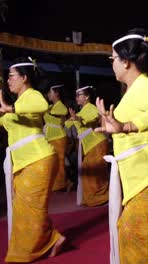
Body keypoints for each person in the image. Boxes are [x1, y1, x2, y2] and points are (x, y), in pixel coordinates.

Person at [95, 29, 148, 263]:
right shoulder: (134, 90)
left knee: (144, 248)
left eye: (113, 59)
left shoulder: (145, 84)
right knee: (132, 237)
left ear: (126, 62)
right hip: (145, 178)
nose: (111, 64)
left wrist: (128, 126)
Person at [0, 58, 65, 262]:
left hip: (39, 159)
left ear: (25, 78)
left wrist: (10, 109)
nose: (8, 80)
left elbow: (41, 104)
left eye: (11, 76)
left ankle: (23, 254)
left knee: (29, 210)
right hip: (24, 161)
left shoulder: (32, 95)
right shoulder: (19, 102)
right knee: (26, 208)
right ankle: (53, 239)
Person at [66, 85, 109, 206]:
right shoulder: (81, 111)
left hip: (97, 143)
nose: (77, 97)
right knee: (92, 172)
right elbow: (68, 124)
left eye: (79, 95)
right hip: (91, 146)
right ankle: (95, 197)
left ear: (87, 97)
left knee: (94, 172)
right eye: (76, 95)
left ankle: (100, 197)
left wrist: (77, 118)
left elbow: (91, 118)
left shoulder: (91, 108)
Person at [44, 84, 71, 191]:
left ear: (57, 93)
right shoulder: (50, 106)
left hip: (59, 137)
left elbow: (63, 112)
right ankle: (64, 182)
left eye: (50, 92)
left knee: (59, 162)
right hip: (50, 137)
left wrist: (49, 112)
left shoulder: (60, 106)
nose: (48, 94)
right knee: (52, 162)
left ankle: (60, 185)